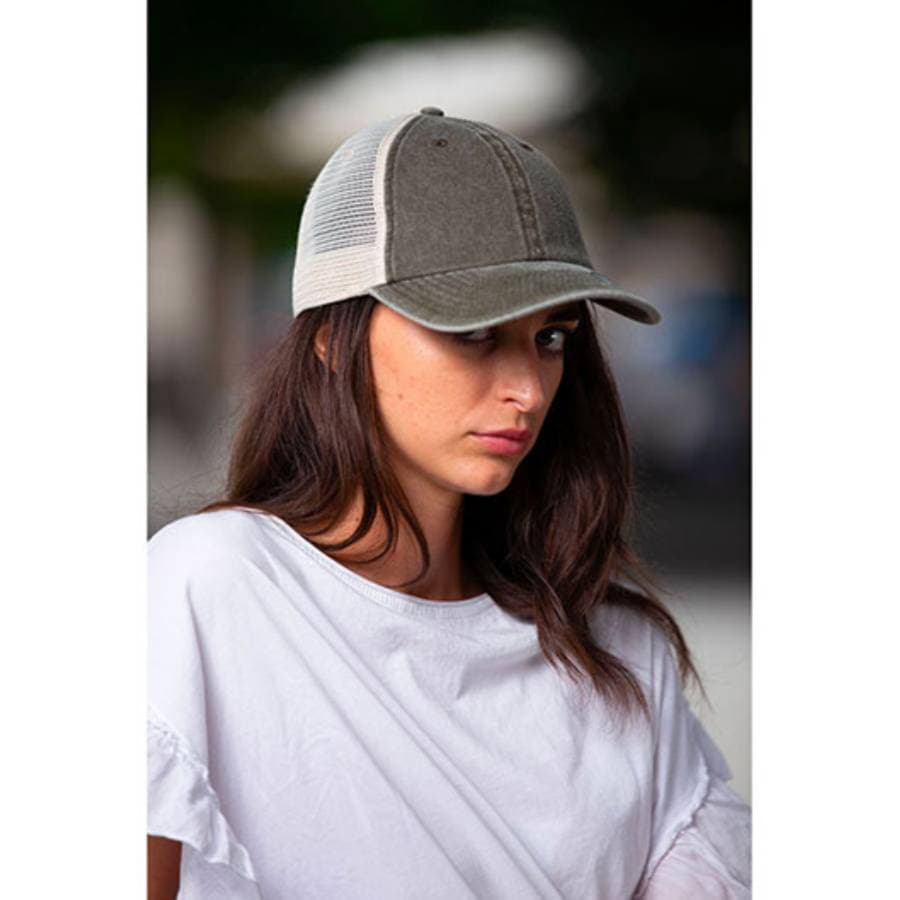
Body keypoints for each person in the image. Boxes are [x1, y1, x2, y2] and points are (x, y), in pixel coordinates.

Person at [147, 107, 751, 899]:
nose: (528, 390)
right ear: (331, 338)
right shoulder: (213, 588)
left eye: (551, 337)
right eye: (474, 333)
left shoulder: (613, 643)